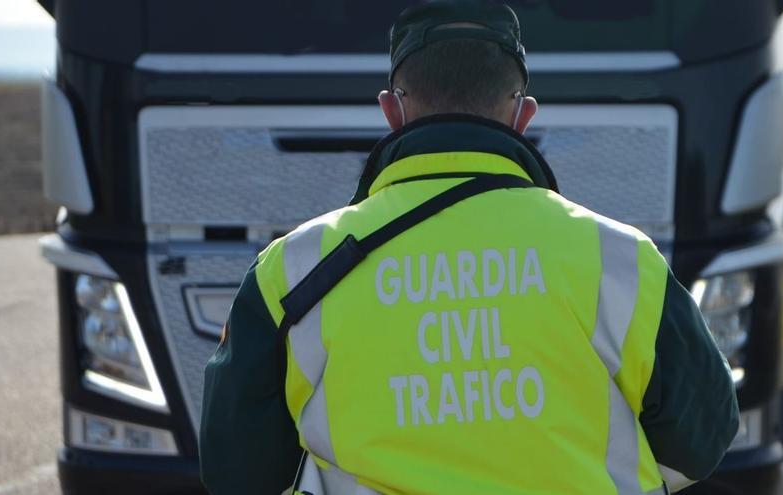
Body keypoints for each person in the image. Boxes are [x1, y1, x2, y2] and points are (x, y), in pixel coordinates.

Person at [199, 2, 739, 494]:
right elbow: (703, 438)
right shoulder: (620, 260)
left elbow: (236, 473)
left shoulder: (291, 271)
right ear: (522, 116)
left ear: (392, 111)